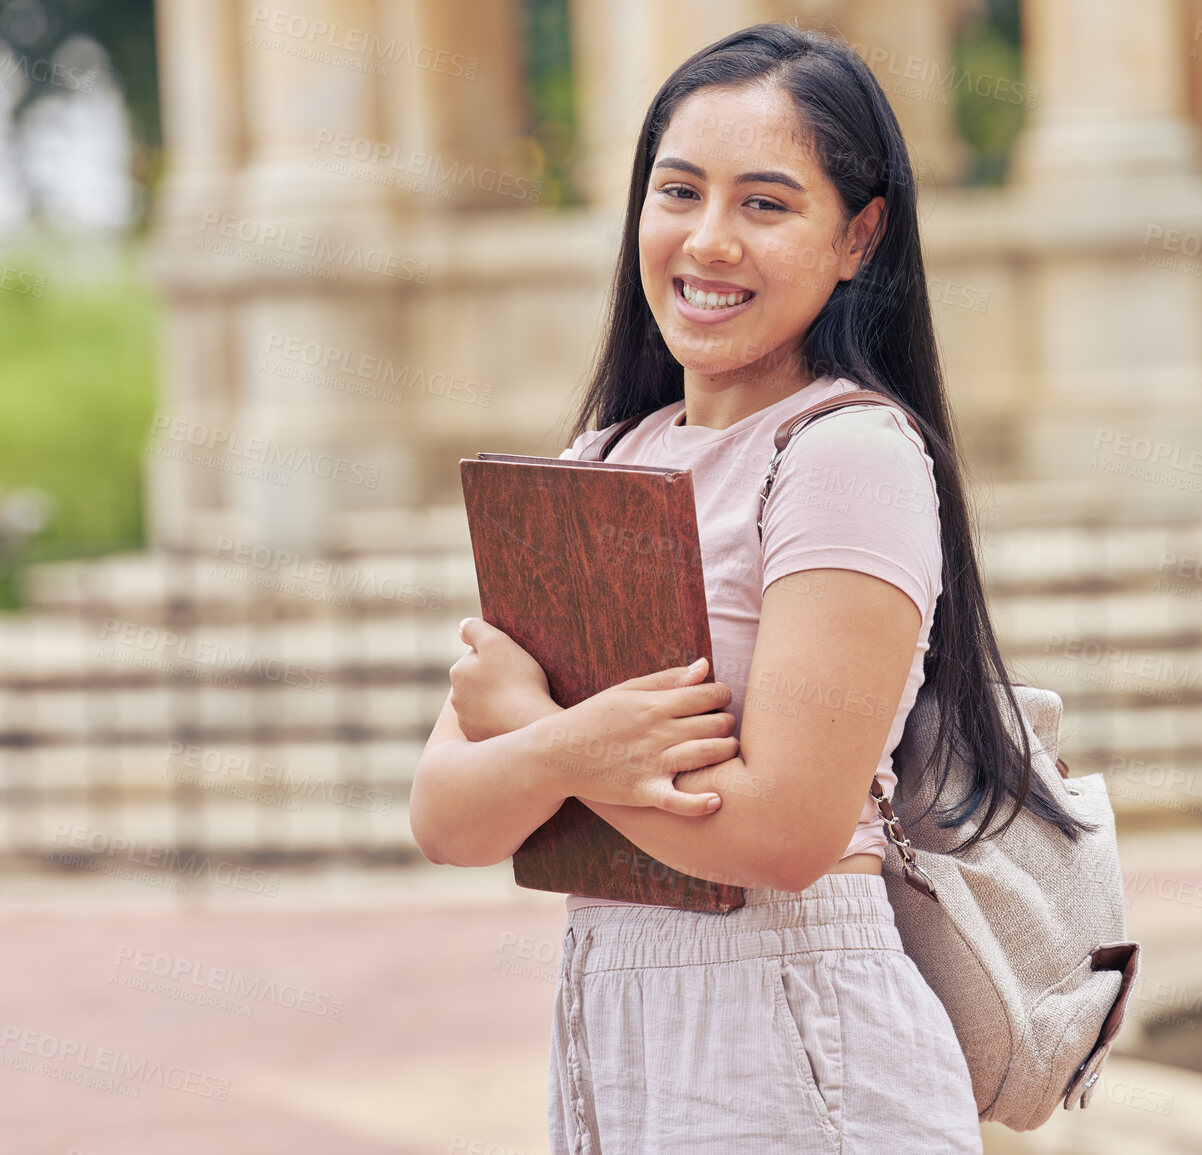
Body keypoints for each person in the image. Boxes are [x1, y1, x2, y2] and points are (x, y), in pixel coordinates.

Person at [409, 22, 1090, 1154]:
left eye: (766, 205)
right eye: (679, 192)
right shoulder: (599, 461)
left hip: (798, 1034)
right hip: (617, 1028)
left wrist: (544, 734)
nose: (708, 240)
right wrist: (583, 747)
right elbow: (445, 813)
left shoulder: (845, 455)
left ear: (859, 238)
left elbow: (785, 831)